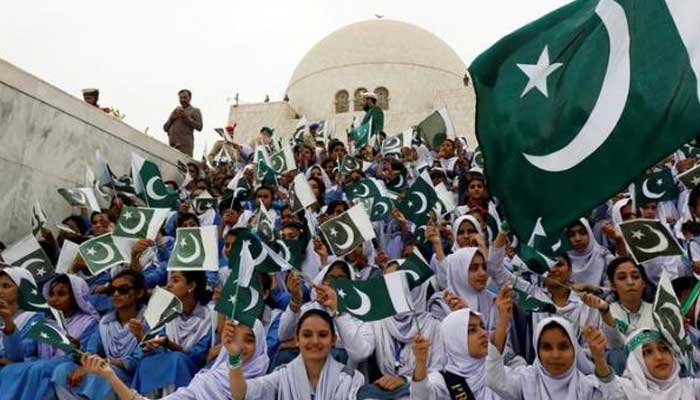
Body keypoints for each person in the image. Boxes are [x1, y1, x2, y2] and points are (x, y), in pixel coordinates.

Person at [75, 318, 269, 400]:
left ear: (260, 345)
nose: (239, 346)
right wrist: (110, 376)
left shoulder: (267, 386)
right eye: (233, 339)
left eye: (249, 340)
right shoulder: (208, 380)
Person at [52, 270, 148, 400]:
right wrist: (79, 351)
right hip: (101, 366)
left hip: (132, 376)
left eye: (123, 290)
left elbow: (135, 362)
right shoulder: (104, 322)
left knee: (102, 373)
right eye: (112, 290)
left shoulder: (148, 321)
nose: (116, 294)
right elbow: (91, 350)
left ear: (139, 293)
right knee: (62, 370)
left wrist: (101, 363)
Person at [227, 309, 364, 399]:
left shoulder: (350, 379)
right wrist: (234, 355)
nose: (315, 341)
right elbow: (241, 393)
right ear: (297, 339)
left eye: (322, 335)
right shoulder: (282, 376)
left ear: (333, 340)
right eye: (307, 335)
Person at [129, 271, 212, 395]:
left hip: (195, 372)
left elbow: (198, 356)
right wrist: (140, 335)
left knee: (177, 359)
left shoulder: (209, 317)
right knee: (147, 362)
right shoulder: (168, 313)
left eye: (175, 280)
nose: (168, 285)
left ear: (191, 286)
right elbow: (157, 344)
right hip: (170, 361)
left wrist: (168, 344)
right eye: (169, 280)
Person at [485, 315, 605, 399]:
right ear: (537, 350)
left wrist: (599, 358)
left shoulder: (588, 388)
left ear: (574, 349)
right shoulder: (526, 381)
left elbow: (615, 395)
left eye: (563, 347)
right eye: (547, 347)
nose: (556, 355)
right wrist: (502, 321)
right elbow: (494, 379)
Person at [410, 308, 502, 400]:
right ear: (455, 341)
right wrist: (420, 361)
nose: (484, 333)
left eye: (483, 327)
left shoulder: (498, 373)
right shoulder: (443, 382)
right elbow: (420, 396)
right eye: (472, 330)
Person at [595, 329, 700, 399]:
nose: (659, 357)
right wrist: (599, 358)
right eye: (647, 352)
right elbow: (609, 385)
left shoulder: (690, 387)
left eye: (664, 349)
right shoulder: (626, 391)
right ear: (635, 362)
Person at [163, 89, 203, 157]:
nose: (183, 100)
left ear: (190, 98)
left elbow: (199, 127)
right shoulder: (175, 110)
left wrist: (186, 117)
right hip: (172, 146)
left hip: (185, 147)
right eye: (181, 98)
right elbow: (165, 128)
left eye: (185, 97)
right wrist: (171, 119)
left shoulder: (195, 110)